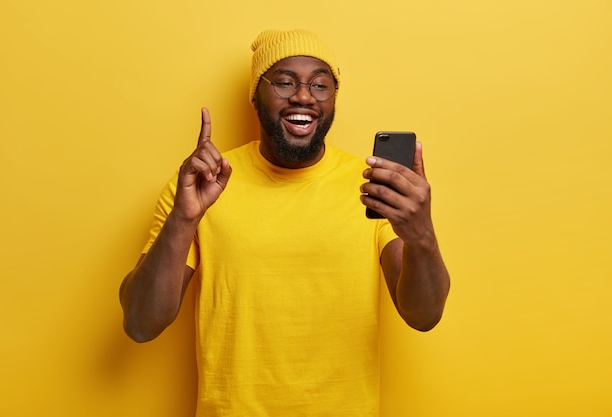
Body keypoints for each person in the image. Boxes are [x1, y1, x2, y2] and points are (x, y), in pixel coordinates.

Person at [119, 29, 450, 416]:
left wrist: (422, 235)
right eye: (285, 82)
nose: (304, 96)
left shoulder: (372, 187)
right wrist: (182, 220)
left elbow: (424, 316)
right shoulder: (201, 185)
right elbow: (141, 324)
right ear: (255, 96)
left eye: (321, 85)